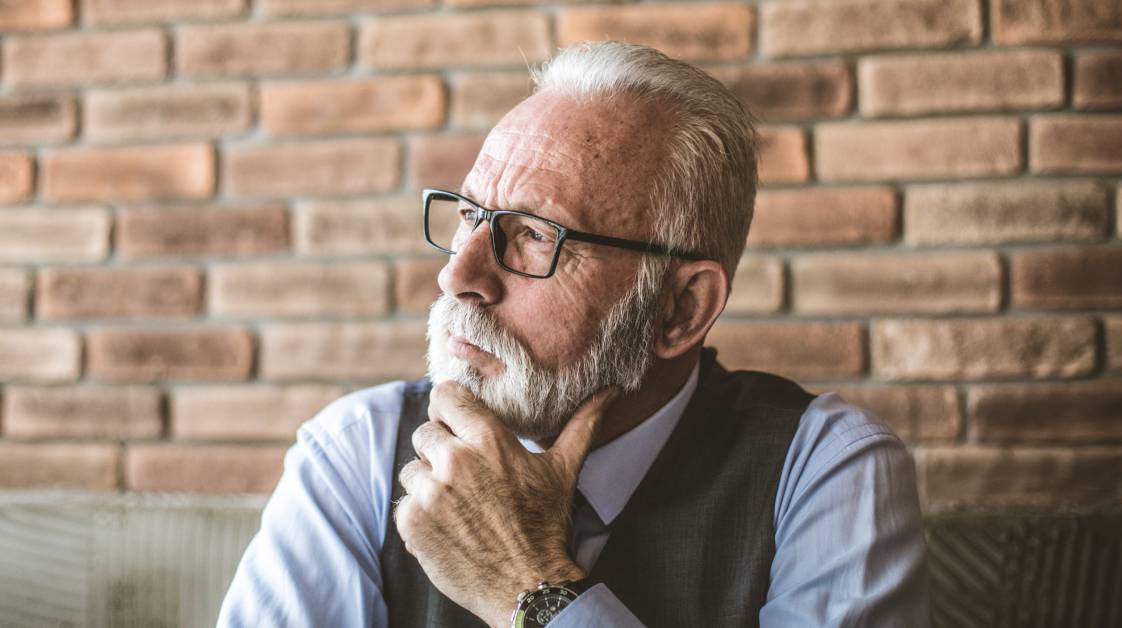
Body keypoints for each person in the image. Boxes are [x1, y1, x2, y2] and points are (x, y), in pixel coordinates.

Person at [218, 41, 928, 627]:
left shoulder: (825, 469)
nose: (459, 276)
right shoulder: (355, 454)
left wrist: (527, 584)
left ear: (681, 310)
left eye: (533, 235)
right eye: (470, 216)